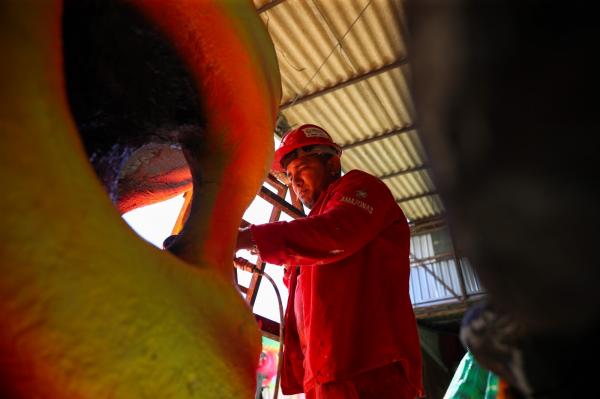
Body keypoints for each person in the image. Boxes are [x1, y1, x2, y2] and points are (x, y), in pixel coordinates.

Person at [236, 124, 424, 399]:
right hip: (325, 371)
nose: (294, 183)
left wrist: (246, 238)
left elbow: (335, 233)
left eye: (301, 169)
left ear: (333, 164)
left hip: (370, 366)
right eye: (289, 177)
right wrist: (255, 248)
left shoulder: (360, 187)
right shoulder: (313, 229)